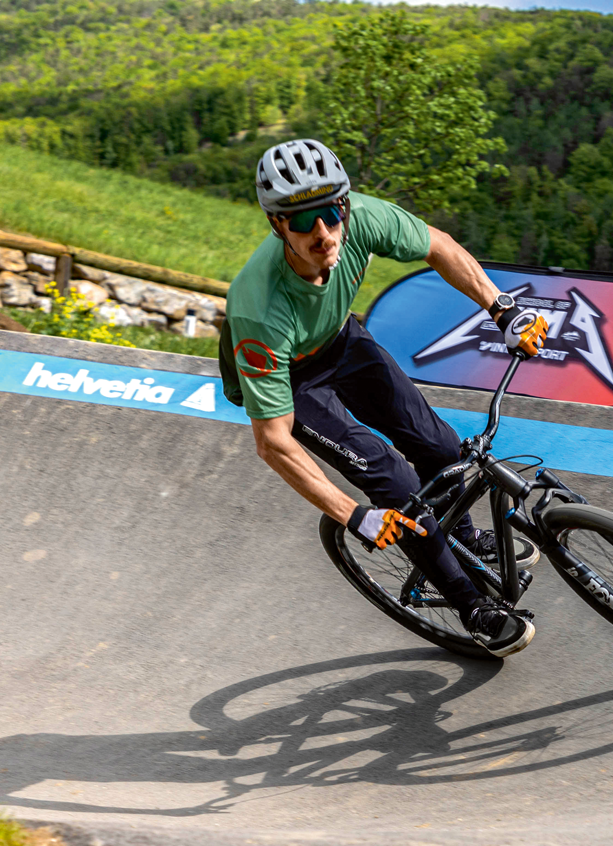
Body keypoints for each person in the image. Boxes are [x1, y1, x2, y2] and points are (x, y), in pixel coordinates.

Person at [220, 139, 548, 657]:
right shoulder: (258, 309)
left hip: (342, 341)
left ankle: (457, 537)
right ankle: (471, 607)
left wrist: (503, 310)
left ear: (345, 206)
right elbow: (273, 443)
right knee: (392, 479)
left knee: (440, 448)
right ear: (277, 224)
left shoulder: (363, 218)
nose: (323, 233)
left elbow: (438, 245)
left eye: (331, 213)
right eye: (303, 222)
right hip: (292, 380)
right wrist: (354, 514)